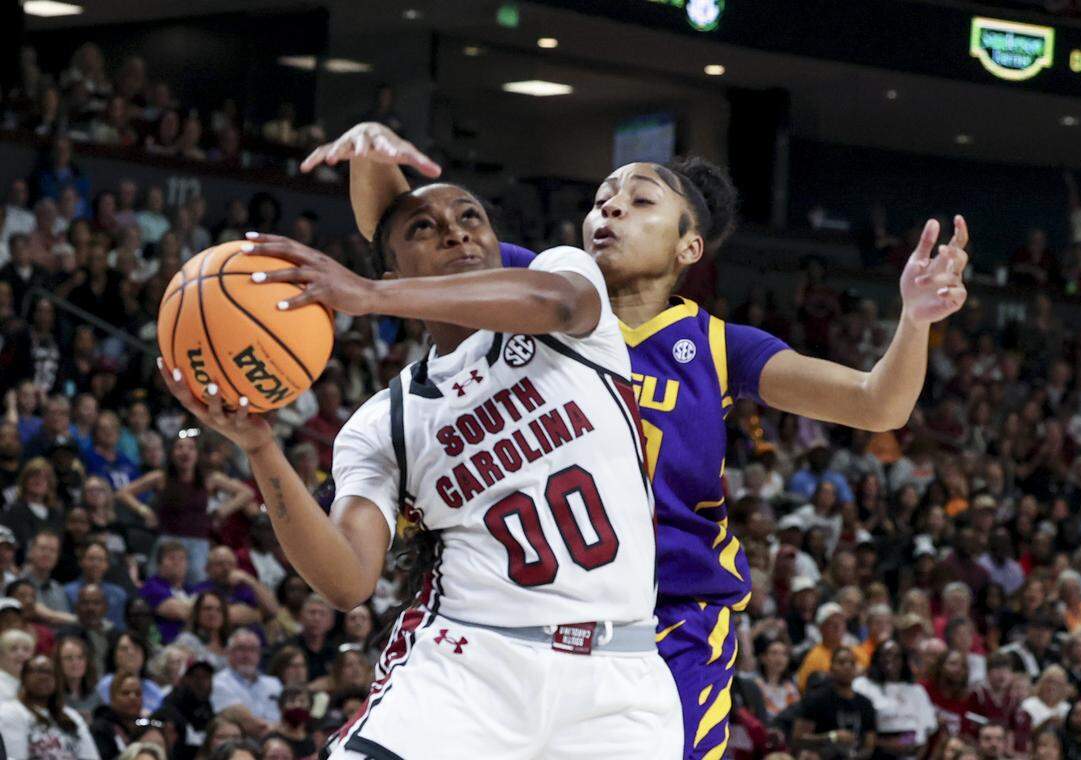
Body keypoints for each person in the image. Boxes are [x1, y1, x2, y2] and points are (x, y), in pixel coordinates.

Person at [329, 120, 968, 759]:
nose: (612, 208)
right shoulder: (548, 288)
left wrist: (913, 321)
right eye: (604, 198)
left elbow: (876, 404)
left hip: (675, 615)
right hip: (541, 612)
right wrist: (370, 153)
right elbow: (399, 228)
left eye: (640, 202)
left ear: (689, 248)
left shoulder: (719, 346)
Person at [161, 180, 681, 759]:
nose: (456, 230)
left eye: (470, 215)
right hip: (469, 666)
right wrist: (260, 448)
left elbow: (555, 303)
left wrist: (366, 296)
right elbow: (347, 581)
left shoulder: (564, 287)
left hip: (621, 680)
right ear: (393, 277)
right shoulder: (384, 422)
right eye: (423, 228)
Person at [117, 433, 254, 586]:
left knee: (198, 586)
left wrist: (224, 510)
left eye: (190, 448)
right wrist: (144, 510)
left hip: (198, 541)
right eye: (179, 447)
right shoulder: (161, 477)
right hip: (168, 540)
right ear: (172, 453)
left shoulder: (209, 479)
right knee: (157, 583)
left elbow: (247, 493)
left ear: (197, 454)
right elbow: (123, 493)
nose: (185, 452)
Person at [0, 654, 100, 758]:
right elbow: (14, 757)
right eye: (37, 671)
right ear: (24, 677)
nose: (44, 677)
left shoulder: (71, 715)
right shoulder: (11, 711)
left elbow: (91, 756)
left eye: (49, 672)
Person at [853, 639, 937, 759]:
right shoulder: (863, 685)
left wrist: (902, 742)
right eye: (885, 654)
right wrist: (885, 743)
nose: (890, 659)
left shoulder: (916, 691)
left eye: (896, 656)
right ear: (876, 658)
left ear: (903, 660)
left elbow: (921, 733)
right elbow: (858, 728)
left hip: (908, 753)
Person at [794, 647, 877, 759]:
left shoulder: (865, 704)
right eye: (841, 662)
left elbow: (869, 746)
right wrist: (832, 736)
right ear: (831, 668)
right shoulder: (817, 699)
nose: (847, 667)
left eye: (852, 663)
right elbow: (798, 739)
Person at [209, 628, 282, 738]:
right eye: (241, 649)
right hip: (240, 743)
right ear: (228, 652)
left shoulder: (274, 684)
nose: (247, 655)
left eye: (253, 650)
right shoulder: (217, 683)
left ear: (259, 655)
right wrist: (283, 729)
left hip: (278, 744)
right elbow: (251, 725)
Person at [96, 631, 165, 713]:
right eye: (124, 649)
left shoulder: (152, 689)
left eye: (136, 648)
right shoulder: (106, 684)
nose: (131, 653)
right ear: (114, 655)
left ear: (144, 654)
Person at [90, 670, 146, 758]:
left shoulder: (146, 727)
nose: (133, 697)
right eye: (125, 693)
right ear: (112, 697)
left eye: (138, 693)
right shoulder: (100, 729)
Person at [172, 591, 230, 671]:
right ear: (197, 613)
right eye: (207, 609)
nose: (213, 613)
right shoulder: (186, 641)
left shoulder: (231, 644)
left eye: (219, 610)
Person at [54, 634, 101, 720]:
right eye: (68, 658)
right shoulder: (53, 694)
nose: (75, 662)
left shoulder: (95, 694)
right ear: (58, 662)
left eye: (80, 657)